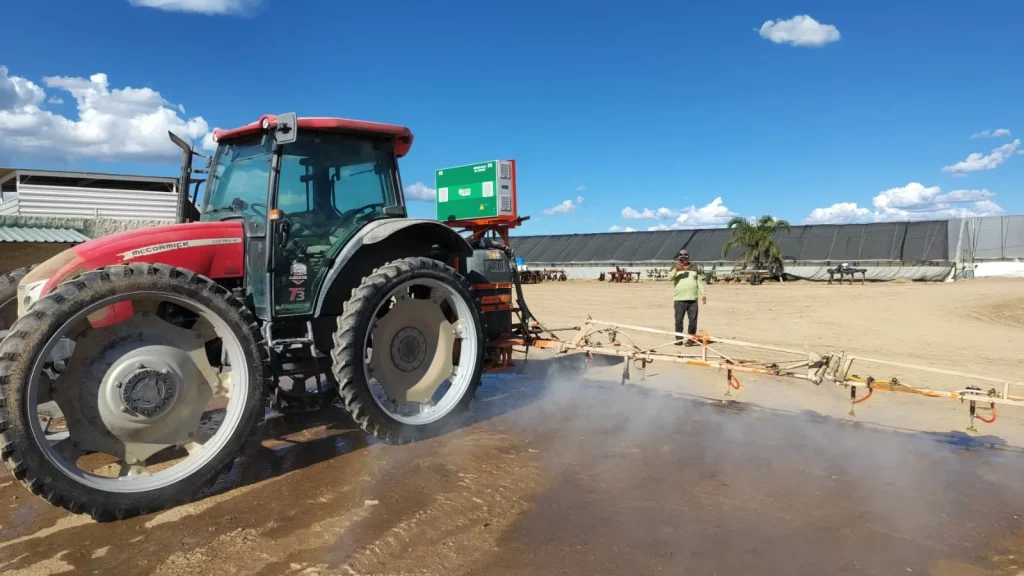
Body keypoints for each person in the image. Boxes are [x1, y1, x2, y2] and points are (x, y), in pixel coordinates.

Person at [668, 249, 707, 345]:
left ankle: (691, 339)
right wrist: (676, 270)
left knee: (693, 321)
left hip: (692, 299)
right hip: (679, 299)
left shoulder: (694, 267)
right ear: (679, 258)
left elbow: (699, 282)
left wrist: (703, 294)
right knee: (678, 320)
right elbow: (669, 278)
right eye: (681, 258)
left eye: (685, 257)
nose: (683, 260)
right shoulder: (675, 267)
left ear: (688, 257)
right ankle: (679, 339)